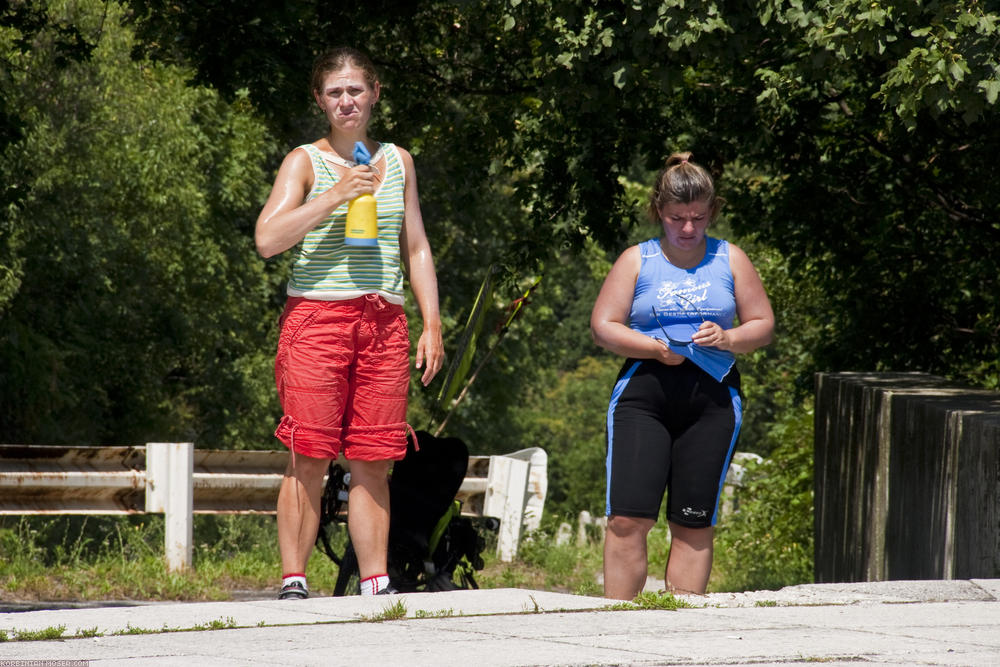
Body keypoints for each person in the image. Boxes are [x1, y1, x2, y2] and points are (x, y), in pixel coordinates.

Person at [254, 47, 444, 599]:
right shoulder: (304, 162)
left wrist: (431, 322)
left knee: (373, 457)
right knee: (309, 453)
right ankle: (294, 580)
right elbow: (268, 239)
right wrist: (336, 195)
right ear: (319, 100)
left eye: (355, 90)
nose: (346, 101)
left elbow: (416, 245)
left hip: (384, 320)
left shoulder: (399, 161)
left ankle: (375, 581)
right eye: (334, 92)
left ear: (375, 93)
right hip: (318, 317)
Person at [590, 152, 774, 599]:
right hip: (643, 396)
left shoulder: (731, 258)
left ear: (712, 211)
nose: (688, 229)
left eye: (698, 217)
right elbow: (603, 326)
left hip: (711, 400)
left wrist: (729, 337)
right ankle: (617, 626)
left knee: (693, 522)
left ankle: (682, 634)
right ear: (659, 212)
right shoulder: (638, 259)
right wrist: (651, 347)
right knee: (628, 519)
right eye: (677, 218)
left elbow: (763, 325)